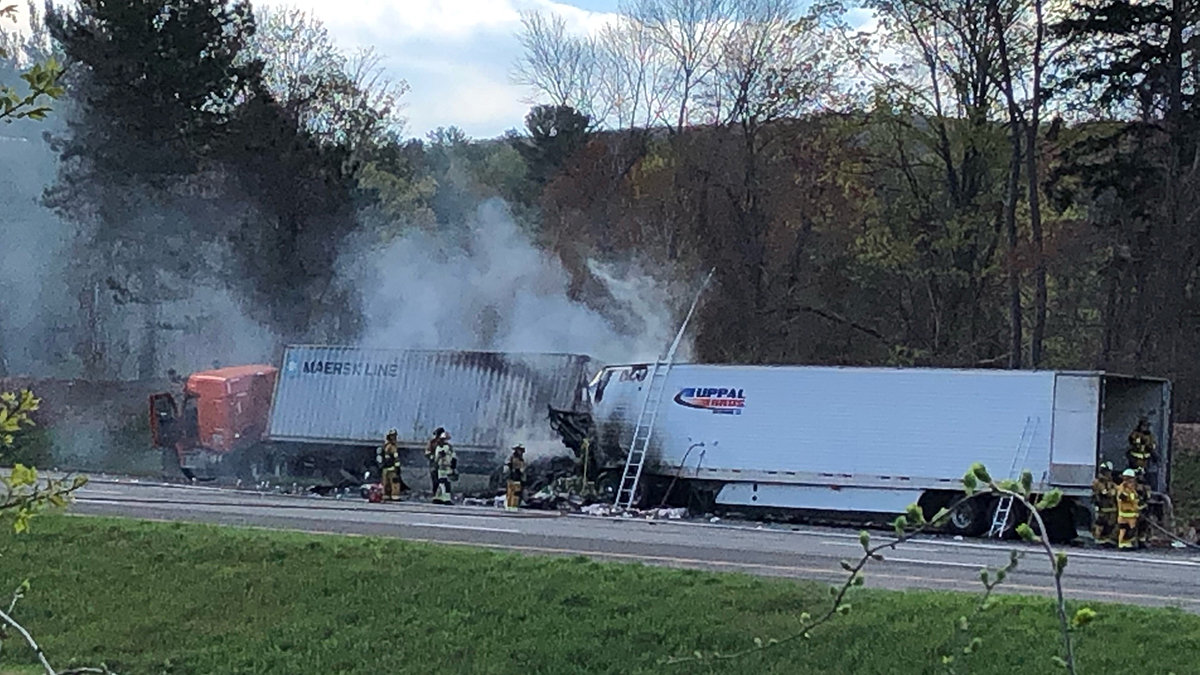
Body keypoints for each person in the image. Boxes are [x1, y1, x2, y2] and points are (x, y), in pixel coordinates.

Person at [1091, 462, 1118, 546]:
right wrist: (1113, 491)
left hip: (1111, 509)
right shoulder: (1098, 483)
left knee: (1110, 524)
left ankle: (1107, 539)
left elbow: (1116, 490)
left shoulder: (1110, 482)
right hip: (1102, 508)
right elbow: (1106, 493)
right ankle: (1099, 539)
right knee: (1100, 523)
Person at [1116, 468, 1143, 550]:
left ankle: (1128, 543)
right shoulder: (1123, 488)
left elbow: (1135, 500)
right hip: (1125, 514)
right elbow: (1123, 498)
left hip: (1132, 515)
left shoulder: (1132, 489)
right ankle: (1122, 544)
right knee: (1124, 529)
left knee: (1131, 530)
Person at [378, 429, 404, 502]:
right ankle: (394, 496)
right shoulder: (392, 446)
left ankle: (386, 496)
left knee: (386, 483)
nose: (394, 438)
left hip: (386, 468)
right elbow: (396, 457)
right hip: (392, 468)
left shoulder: (385, 446)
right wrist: (397, 467)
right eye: (393, 436)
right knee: (394, 482)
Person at [432, 433, 457, 505]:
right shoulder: (439, 448)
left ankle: (438, 498)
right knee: (444, 483)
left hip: (447, 467)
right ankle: (446, 499)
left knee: (443, 483)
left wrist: (453, 466)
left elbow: (453, 457)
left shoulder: (449, 448)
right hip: (442, 468)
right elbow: (436, 459)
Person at [504, 444, 527, 512]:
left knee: (516, 493)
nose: (521, 452)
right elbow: (507, 466)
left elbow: (523, 469)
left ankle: (514, 505)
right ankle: (509, 505)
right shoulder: (512, 458)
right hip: (512, 477)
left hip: (518, 478)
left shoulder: (521, 459)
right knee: (511, 492)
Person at [425, 427, 446, 495]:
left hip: (442, 465)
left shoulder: (445, 444)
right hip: (434, 464)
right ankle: (435, 493)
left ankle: (441, 494)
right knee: (435, 480)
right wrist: (433, 457)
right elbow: (427, 453)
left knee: (442, 480)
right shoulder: (432, 442)